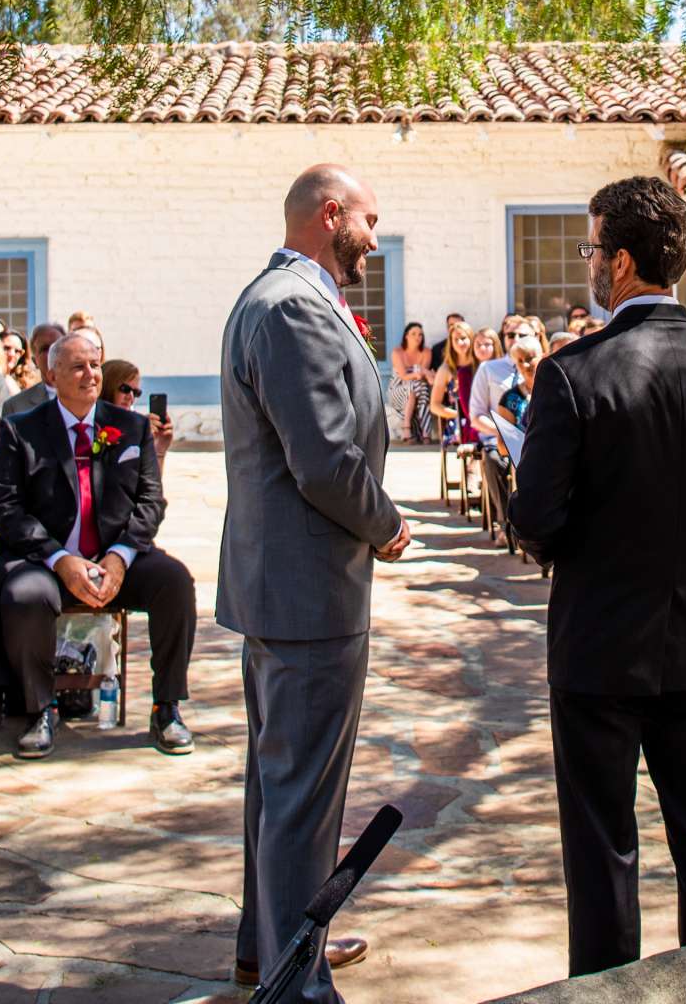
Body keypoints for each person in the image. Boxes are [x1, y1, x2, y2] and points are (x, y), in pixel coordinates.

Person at [508, 176, 686, 977]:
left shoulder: (572, 375)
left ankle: (606, 994)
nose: (589, 262)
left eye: (593, 248)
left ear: (624, 262)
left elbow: (532, 519)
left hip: (599, 641)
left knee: (602, 848)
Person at [218, 164, 409, 999]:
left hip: (290, 587)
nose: (375, 234)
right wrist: (388, 523)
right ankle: (296, 984)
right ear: (330, 215)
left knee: (280, 788)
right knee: (300, 799)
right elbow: (326, 460)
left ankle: (273, 949)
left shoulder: (290, 297)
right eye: (368, 219)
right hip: (307, 590)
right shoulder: (292, 306)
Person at [0, 331, 194, 758]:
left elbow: (150, 502)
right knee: (23, 595)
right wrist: (60, 559)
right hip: (46, 561)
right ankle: (39, 708)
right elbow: (7, 509)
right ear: (52, 373)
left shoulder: (131, 426)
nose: (91, 375)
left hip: (114, 558)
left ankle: (167, 707)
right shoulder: (21, 430)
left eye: (95, 365)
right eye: (78, 366)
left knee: (175, 582)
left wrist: (120, 558)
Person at [5, 322, 71, 417]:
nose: (51, 354)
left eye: (56, 347)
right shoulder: (15, 406)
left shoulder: (86, 396)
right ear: (34, 360)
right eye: (45, 349)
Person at [389, 321, 433, 443]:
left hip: (417, 390)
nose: (417, 337)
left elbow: (421, 376)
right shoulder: (397, 352)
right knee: (413, 386)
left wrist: (420, 372)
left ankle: (418, 432)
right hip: (397, 391)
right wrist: (419, 371)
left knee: (420, 387)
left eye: (420, 334)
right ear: (406, 336)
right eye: (413, 333)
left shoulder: (426, 352)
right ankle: (418, 430)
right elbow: (403, 376)